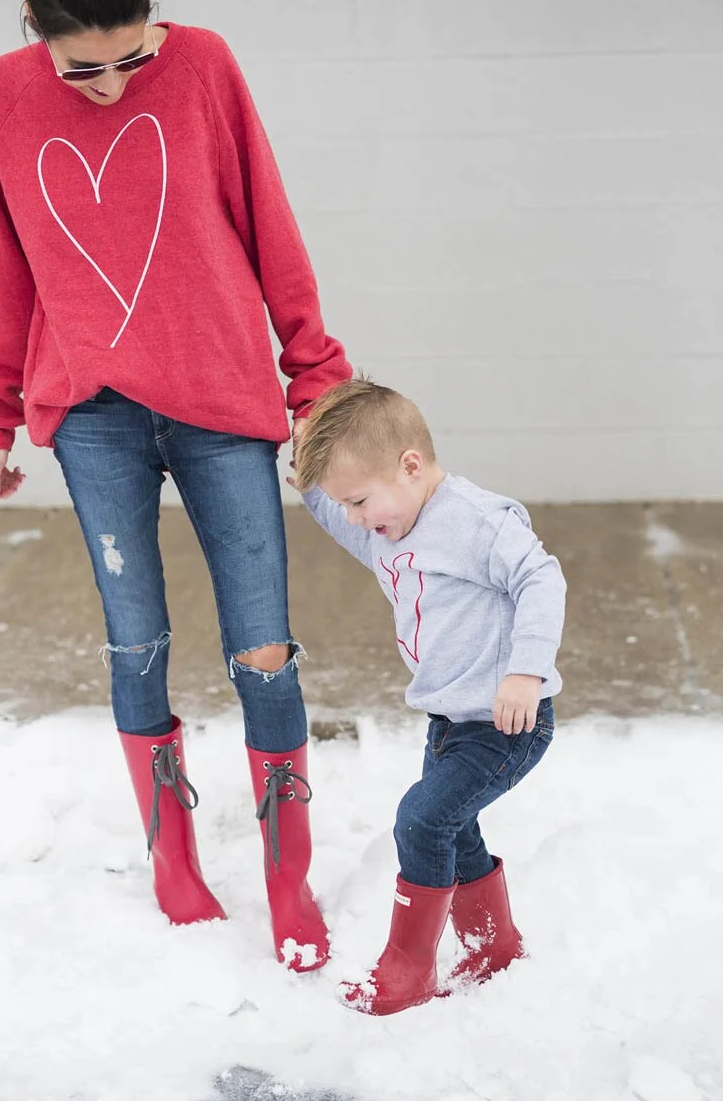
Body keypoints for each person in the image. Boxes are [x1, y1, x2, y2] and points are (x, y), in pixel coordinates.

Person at [0, 0, 351, 973]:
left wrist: (312, 373)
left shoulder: (208, 67)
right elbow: (0, 259)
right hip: (90, 414)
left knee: (261, 645)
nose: (112, 84)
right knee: (134, 636)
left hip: (222, 395)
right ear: (36, 28)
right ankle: (170, 855)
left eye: (131, 58)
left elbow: (266, 220)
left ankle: (287, 867)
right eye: (82, 71)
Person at [292, 378, 566, 1013]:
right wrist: (308, 472)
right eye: (350, 505)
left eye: (362, 500)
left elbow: (540, 578)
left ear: (410, 466)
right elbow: (338, 516)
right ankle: (493, 944)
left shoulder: (474, 522)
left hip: (505, 723)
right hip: (448, 722)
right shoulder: (390, 529)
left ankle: (408, 970)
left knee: (421, 819)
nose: (359, 518)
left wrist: (526, 670)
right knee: (451, 824)